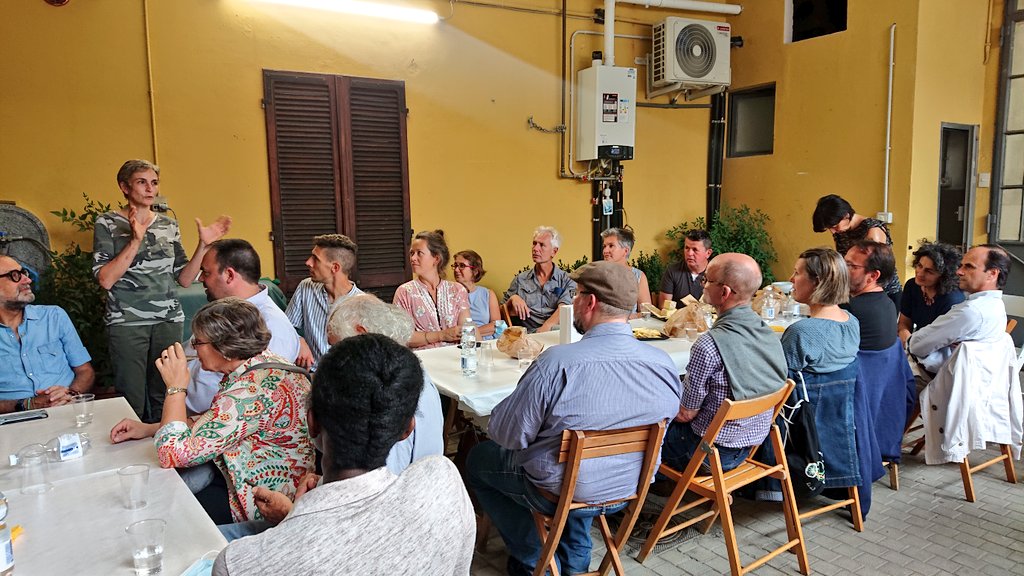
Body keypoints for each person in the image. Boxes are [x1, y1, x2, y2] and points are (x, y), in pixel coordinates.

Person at [468, 261, 680, 575]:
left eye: (577, 295)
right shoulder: (663, 363)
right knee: (575, 467)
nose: (572, 301)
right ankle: (575, 557)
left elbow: (508, 435)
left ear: (590, 302)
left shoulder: (557, 363)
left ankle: (531, 554)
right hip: (628, 487)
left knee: (477, 460)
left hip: (558, 490)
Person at [211, 334, 476, 576]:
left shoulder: (238, 564)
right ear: (407, 429)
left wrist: (295, 519)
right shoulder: (443, 482)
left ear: (311, 422)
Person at [217, 293, 447, 542]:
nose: (331, 355)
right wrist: (323, 485)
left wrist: (292, 514)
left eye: (335, 346)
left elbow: (366, 518)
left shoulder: (383, 399)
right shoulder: (410, 378)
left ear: (361, 335)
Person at [109, 298, 315, 525]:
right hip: (270, 480)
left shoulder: (249, 391)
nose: (194, 348)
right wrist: (149, 428)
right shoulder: (267, 363)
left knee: (160, 512)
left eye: (198, 342)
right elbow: (219, 420)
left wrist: (176, 387)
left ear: (225, 348)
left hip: (262, 501)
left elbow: (170, 454)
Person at [93, 159, 231, 421]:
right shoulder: (107, 223)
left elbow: (185, 279)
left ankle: (166, 454)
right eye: (141, 182)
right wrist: (135, 239)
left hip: (167, 319)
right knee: (130, 397)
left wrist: (203, 246)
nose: (149, 189)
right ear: (124, 187)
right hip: (127, 321)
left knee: (166, 391)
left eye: (154, 183)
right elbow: (106, 280)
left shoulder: (168, 225)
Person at [661, 253, 787, 473]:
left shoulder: (709, 345)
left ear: (724, 292)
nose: (703, 284)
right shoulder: (766, 333)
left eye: (707, 280)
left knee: (646, 430)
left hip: (707, 453)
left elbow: (685, 414)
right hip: (751, 445)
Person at [185, 239, 300, 413]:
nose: (200, 278)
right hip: (192, 417)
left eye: (206, 272)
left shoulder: (272, 327)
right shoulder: (223, 311)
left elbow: (254, 402)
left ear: (229, 275)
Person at [0, 255, 94, 413]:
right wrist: (27, 404)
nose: (27, 280)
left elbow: (85, 371)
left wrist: (71, 394)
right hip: (12, 424)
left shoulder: (54, 316)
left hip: (67, 411)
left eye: (24, 273)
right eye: (15, 276)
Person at [908, 244, 1010, 376]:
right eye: (961, 266)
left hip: (944, 384)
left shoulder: (970, 312)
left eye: (969, 266)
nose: (959, 272)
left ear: (992, 274)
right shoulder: (995, 305)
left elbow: (916, 346)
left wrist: (913, 342)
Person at [286, 234, 362, 370]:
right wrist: (300, 340)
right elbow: (286, 326)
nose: (308, 262)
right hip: (311, 374)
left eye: (315, 259)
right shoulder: (305, 287)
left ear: (335, 268)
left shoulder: (362, 304)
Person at [812, 194, 901, 306]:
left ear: (846, 215)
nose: (833, 231)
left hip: (882, 294)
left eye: (834, 226)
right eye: (829, 228)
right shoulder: (841, 230)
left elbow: (874, 271)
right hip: (854, 291)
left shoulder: (872, 230)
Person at [782, 248, 860, 374]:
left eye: (796, 273)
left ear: (817, 282)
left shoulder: (801, 332)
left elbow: (781, 379)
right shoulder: (852, 322)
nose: (791, 279)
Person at [393, 230, 470, 349]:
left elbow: (468, 330)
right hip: (421, 362)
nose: (413, 258)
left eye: (419, 253)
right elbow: (403, 336)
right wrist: (441, 335)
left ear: (436, 258)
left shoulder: (457, 290)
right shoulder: (404, 292)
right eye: (411, 253)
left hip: (455, 359)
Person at [502, 226, 576, 333]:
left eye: (542, 245)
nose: (535, 249)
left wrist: (544, 330)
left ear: (554, 252)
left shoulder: (567, 280)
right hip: (527, 337)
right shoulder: (520, 280)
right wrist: (513, 299)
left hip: (556, 334)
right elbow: (500, 312)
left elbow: (564, 309)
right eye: (534, 243)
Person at [898, 241, 965, 347]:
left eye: (929, 271)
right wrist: (907, 339)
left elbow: (940, 341)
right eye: (919, 266)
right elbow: (904, 323)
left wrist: (912, 346)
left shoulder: (952, 299)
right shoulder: (912, 286)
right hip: (916, 345)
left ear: (943, 276)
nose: (920, 273)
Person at [841, 241, 897, 351]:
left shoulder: (849, 309)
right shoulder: (889, 303)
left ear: (872, 276)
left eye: (850, 265)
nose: (841, 270)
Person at [600, 227, 652, 316]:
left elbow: (646, 313)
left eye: (611, 246)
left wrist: (623, 319)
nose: (605, 251)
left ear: (625, 251)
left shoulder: (639, 276)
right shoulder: (597, 273)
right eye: (604, 246)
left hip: (630, 327)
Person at [452, 250, 500, 339]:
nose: (456, 270)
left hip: (486, 343)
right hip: (461, 344)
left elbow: (497, 326)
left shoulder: (488, 294)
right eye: (455, 266)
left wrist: (469, 333)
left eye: (462, 266)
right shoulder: (449, 294)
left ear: (475, 271)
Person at [660, 228, 712, 308]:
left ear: (708, 253)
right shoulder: (672, 271)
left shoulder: (716, 274)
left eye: (695, 250)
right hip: (677, 319)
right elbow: (664, 307)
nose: (690, 253)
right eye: (687, 248)